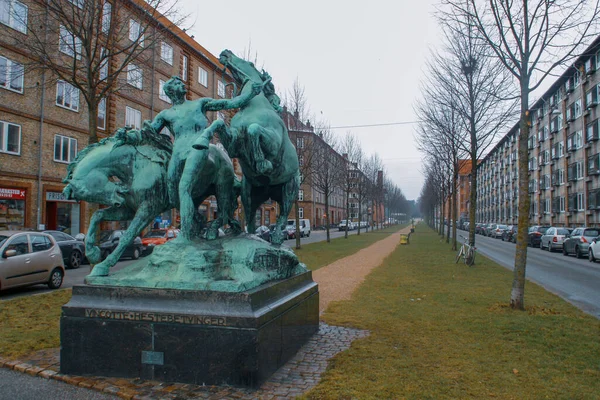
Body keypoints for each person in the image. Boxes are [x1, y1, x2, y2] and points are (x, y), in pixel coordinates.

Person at [149, 77, 262, 211]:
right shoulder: (165, 115)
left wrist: (251, 94)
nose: (183, 84)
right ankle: (194, 221)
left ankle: (186, 230)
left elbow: (229, 103)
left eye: (182, 82)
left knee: (184, 188)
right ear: (171, 91)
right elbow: (148, 132)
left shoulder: (199, 104)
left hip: (198, 149)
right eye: (178, 84)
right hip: (178, 154)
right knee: (173, 197)